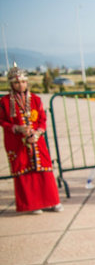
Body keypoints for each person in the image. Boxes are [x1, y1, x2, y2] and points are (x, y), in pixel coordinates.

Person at [0, 65, 63, 214]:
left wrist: (38, 133)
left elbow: (42, 119)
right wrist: (16, 128)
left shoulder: (35, 99)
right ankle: (32, 204)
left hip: (36, 140)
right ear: (11, 84)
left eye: (23, 82)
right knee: (23, 170)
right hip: (16, 141)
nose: (20, 85)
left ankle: (52, 201)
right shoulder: (5, 101)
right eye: (16, 82)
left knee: (44, 168)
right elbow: (2, 121)